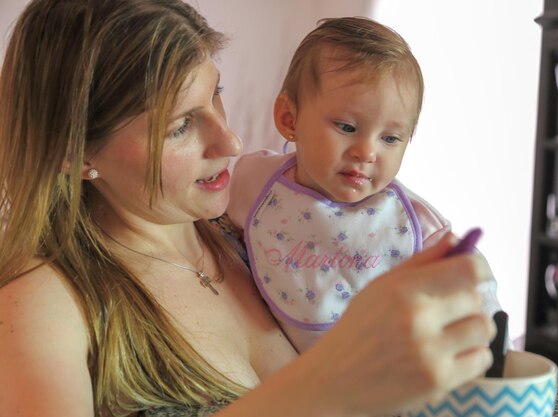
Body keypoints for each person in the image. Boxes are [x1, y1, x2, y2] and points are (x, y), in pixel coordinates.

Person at [0, 1, 496, 417]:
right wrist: (333, 378)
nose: (231, 141)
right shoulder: (41, 304)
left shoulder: (257, 232)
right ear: (74, 152)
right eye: (179, 126)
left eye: (215, 94)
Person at [227, 17, 504, 352]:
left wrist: (491, 345)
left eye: (390, 138)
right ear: (289, 119)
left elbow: (473, 278)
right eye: (346, 127)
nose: (367, 152)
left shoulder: (411, 223)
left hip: (381, 379)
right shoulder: (256, 182)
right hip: (286, 378)